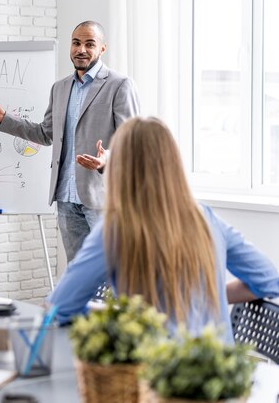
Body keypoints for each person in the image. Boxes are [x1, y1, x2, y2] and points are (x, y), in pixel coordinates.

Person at [48, 117, 279, 340]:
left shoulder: (117, 229)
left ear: (121, 169)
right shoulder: (206, 218)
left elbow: (59, 307)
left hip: (157, 374)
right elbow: (269, 280)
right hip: (220, 374)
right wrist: (204, 296)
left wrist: (119, 315)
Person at [0, 21, 140, 261]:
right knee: (78, 272)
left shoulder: (119, 85)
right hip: (65, 197)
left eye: (89, 44)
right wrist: (4, 119)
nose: (81, 49)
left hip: (102, 198)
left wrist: (107, 159)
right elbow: (45, 134)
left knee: (111, 271)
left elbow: (133, 142)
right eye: (76, 43)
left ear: (102, 49)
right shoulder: (60, 88)